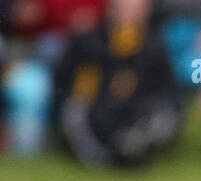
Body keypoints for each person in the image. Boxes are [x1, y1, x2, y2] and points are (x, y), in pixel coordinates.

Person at [52, 0, 182, 165]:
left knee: (163, 118)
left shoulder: (155, 46)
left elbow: (169, 93)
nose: (130, 16)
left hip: (138, 116)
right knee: (74, 110)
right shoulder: (88, 41)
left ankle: (133, 151)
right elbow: (65, 86)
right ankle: (102, 157)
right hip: (94, 113)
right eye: (124, 9)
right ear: (111, 10)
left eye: (137, 10)